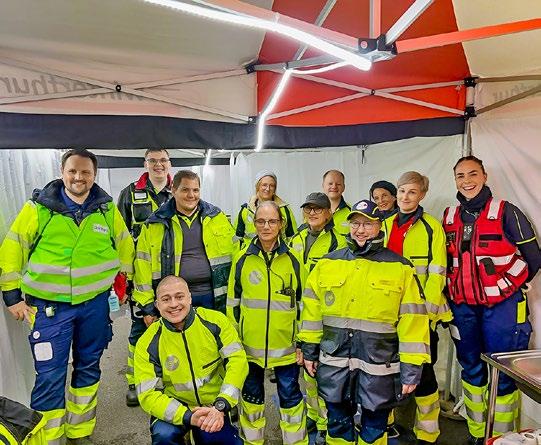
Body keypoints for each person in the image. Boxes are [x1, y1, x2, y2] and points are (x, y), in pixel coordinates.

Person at [0, 148, 135, 444]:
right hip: (50, 309)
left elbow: (125, 244)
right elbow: (12, 248)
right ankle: (48, 439)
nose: (78, 177)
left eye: (86, 172)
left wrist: (122, 284)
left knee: (88, 366)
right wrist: (12, 296)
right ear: (62, 172)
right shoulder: (39, 209)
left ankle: (79, 432)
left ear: (94, 175)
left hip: (95, 305)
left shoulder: (105, 210)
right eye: (72, 170)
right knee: (50, 374)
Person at [298, 199, 430, 445]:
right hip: (335, 363)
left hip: (379, 368)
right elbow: (311, 313)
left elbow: (413, 322)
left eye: (367, 224)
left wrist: (412, 368)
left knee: (374, 429)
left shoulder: (400, 268)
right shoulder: (327, 264)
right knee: (337, 425)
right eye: (355, 224)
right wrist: (309, 350)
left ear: (379, 225)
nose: (360, 230)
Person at [443, 156, 541, 444]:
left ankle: (500, 437)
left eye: (473, 174)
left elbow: (534, 257)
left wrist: (510, 285)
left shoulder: (506, 212)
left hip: (503, 307)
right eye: (460, 176)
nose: (467, 181)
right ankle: (477, 434)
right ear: (455, 180)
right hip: (462, 308)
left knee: (504, 372)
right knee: (471, 367)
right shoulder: (448, 216)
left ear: (484, 176)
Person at [227, 201, 308, 445]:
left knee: (291, 399)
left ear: (281, 224)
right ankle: (253, 442)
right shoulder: (242, 259)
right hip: (249, 348)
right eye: (261, 221)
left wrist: (302, 343)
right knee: (251, 399)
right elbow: (232, 304)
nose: (266, 226)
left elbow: (305, 305)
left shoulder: (294, 259)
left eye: (272, 221)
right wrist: (234, 344)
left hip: (286, 349)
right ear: (254, 224)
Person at [381, 172, 452, 445]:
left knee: (424, 377)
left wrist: (427, 316)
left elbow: (437, 273)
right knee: (385, 372)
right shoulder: (384, 224)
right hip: (388, 316)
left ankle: (427, 433)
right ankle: (386, 426)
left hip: (421, 317)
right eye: (401, 191)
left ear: (422, 195)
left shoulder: (432, 227)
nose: (405, 197)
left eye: (412, 192)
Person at [134, 275, 248, 445]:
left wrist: (222, 404)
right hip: (175, 406)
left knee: (218, 437)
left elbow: (237, 362)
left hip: (214, 404)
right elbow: (148, 394)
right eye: (166, 299)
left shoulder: (216, 322)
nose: (174, 304)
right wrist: (187, 416)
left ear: (190, 298)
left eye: (179, 296)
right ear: (157, 305)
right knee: (164, 436)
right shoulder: (147, 343)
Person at [133, 169, 236, 323]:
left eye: (195, 190)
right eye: (185, 190)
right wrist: (147, 306)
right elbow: (143, 266)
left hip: (215, 296)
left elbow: (236, 253)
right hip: (175, 301)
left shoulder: (216, 217)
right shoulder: (155, 223)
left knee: (213, 336)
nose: (191, 195)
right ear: (173, 190)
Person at [289, 192, 347, 443]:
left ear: (329, 213)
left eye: (318, 209)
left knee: (322, 371)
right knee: (306, 370)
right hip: (298, 314)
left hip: (324, 317)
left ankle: (325, 423)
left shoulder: (338, 242)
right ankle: (313, 414)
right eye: (308, 209)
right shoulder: (296, 238)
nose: (312, 213)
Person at [117, 148, 173, 407]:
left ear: (169, 163)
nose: (158, 165)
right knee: (140, 329)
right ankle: (135, 380)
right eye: (153, 161)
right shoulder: (129, 193)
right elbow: (119, 236)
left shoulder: (178, 191)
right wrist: (124, 280)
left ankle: (168, 378)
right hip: (141, 275)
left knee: (172, 326)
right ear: (145, 163)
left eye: (162, 160)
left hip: (172, 272)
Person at [234, 170, 297, 243]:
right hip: (251, 250)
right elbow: (237, 238)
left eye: (272, 186)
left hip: (278, 250)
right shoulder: (245, 210)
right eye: (264, 185)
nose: (268, 189)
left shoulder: (285, 210)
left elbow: (293, 238)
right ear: (257, 187)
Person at [322, 170, 350, 236]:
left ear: (344, 187)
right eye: (330, 183)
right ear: (323, 186)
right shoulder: (312, 212)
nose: (334, 187)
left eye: (338, 184)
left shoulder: (352, 212)